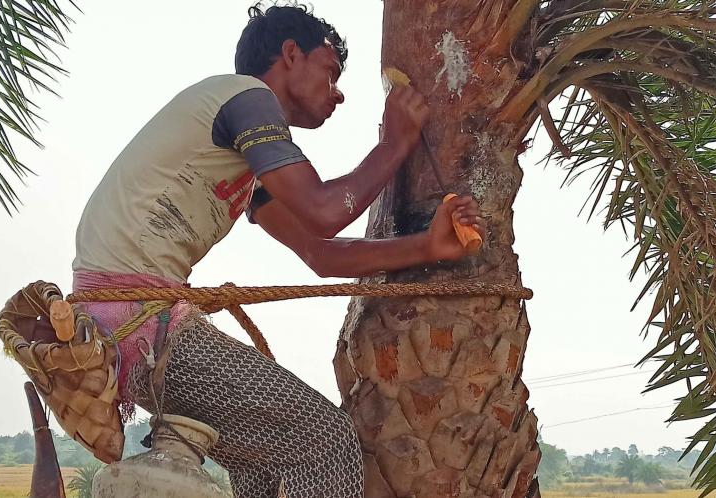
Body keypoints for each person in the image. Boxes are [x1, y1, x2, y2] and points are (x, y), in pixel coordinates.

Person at [72, 3, 485, 497]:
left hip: (127, 325)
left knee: (264, 465)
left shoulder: (246, 155)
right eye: (330, 72)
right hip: (138, 321)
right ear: (291, 54)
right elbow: (324, 210)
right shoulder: (246, 98)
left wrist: (427, 246)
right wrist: (394, 145)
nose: (338, 93)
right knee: (324, 441)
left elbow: (322, 254)